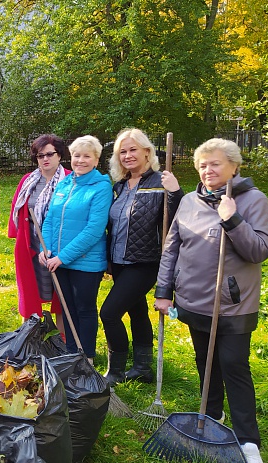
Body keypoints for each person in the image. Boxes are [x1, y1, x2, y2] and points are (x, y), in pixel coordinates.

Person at [154, 138, 268, 463]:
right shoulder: (189, 201)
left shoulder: (253, 200)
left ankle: (248, 439)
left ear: (234, 167)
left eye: (215, 163)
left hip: (233, 304)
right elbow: (172, 249)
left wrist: (232, 220)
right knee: (206, 362)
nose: (208, 170)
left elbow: (260, 250)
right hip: (194, 301)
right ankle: (213, 416)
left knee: (234, 364)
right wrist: (164, 291)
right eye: (203, 165)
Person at [100, 128, 183, 385]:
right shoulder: (121, 186)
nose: (128, 155)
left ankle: (115, 371)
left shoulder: (161, 182)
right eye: (122, 152)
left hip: (145, 262)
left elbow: (178, 220)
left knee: (109, 313)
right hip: (120, 262)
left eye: (133, 149)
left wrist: (176, 192)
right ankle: (143, 368)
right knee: (137, 311)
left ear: (147, 152)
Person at [39, 135, 111, 363]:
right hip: (58, 260)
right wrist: (48, 250)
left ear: (96, 159)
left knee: (84, 309)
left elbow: (94, 229)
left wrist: (62, 257)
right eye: (77, 155)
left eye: (86, 156)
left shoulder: (101, 187)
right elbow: (49, 219)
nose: (80, 160)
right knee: (68, 308)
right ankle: (72, 352)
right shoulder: (65, 183)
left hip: (85, 262)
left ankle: (87, 356)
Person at [8, 134, 71, 330]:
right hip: (31, 248)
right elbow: (16, 209)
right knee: (29, 293)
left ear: (59, 155)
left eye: (50, 154)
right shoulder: (29, 180)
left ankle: (62, 341)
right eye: (40, 155)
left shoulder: (70, 180)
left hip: (60, 249)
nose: (45, 159)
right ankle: (28, 337)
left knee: (61, 296)